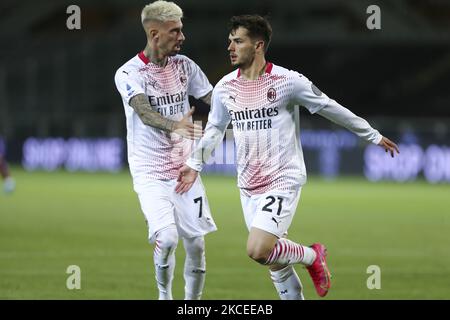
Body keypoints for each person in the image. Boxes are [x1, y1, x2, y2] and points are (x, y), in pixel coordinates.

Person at [176, 14, 400, 299]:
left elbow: (328, 106)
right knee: (276, 263)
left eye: (238, 41)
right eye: (229, 41)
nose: (230, 48)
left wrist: (372, 135)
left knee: (258, 249)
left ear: (258, 45)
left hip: (282, 178)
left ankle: (312, 256)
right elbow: (216, 129)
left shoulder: (287, 81)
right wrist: (194, 164)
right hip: (248, 185)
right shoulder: (224, 87)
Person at [114, 1, 217, 300]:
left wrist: (246, 109)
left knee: (196, 244)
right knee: (169, 237)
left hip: (184, 170)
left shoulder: (185, 66)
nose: (182, 36)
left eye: (181, 29)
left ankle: (192, 304)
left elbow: (215, 99)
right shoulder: (129, 73)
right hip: (149, 171)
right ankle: (164, 296)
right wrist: (177, 127)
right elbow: (144, 113)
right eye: (175, 31)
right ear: (155, 33)